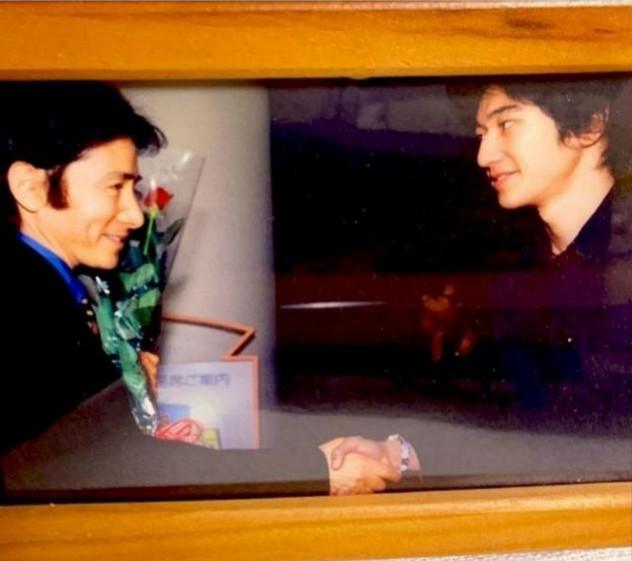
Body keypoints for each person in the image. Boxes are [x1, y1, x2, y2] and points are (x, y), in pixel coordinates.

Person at [0, 82, 397, 500]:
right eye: (115, 187)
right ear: (30, 186)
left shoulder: (49, 288)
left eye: (134, 190)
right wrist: (310, 470)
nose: (135, 215)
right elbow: (74, 469)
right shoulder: (19, 304)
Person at [330, 74, 632, 481]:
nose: (483, 154)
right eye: (481, 133)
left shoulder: (631, 261)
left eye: (506, 124)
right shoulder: (521, 274)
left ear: (589, 126)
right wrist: (398, 454)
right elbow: (515, 424)